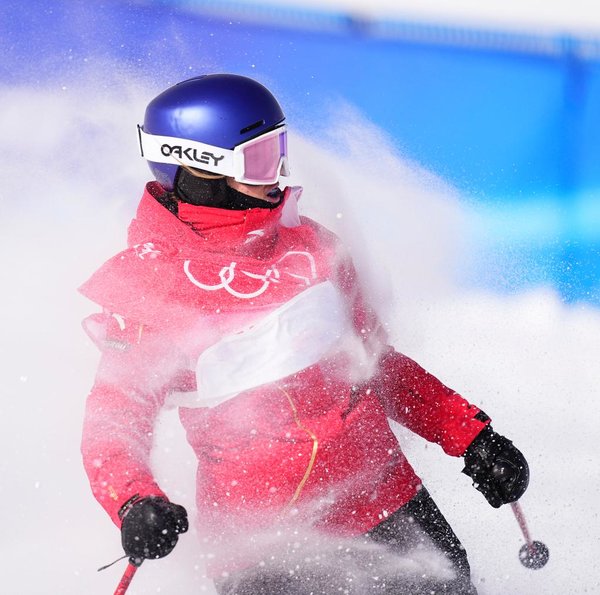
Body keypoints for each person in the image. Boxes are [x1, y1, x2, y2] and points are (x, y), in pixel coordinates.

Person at [80, 74, 529, 594]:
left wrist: (470, 435)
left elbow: (375, 363)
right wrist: (134, 502)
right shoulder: (150, 291)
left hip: (383, 499)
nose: (276, 177)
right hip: (263, 547)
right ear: (199, 166)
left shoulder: (312, 248)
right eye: (258, 159)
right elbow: (114, 418)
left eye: (279, 150)